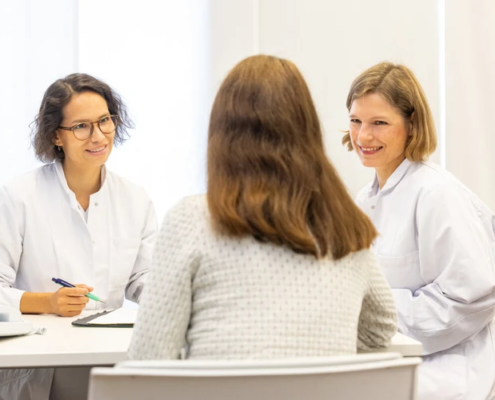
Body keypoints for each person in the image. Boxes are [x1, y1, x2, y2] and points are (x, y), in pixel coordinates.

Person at [128, 55, 397, 361]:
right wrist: (314, 341)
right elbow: (381, 328)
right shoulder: (342, 223)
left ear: (222, 134)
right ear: (307, 130)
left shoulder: (191, 220)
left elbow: (149, 356)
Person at [0, 73, 157, 399]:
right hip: (41, 363)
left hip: (110, 358)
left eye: (105, 121)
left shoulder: (134, 198)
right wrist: (49, 302)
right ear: (57, 136)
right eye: (81, 126)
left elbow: (144, 280)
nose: (98, 135)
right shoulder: (19, 196)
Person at [344, 61, 495, 400]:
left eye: (379, 123)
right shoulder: (363, 200)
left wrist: (376, 311)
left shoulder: (435, 193)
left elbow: (471, 297)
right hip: (396, 361)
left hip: (449, 373)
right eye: (356, 121)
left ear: (411, 125)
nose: (363, 135)